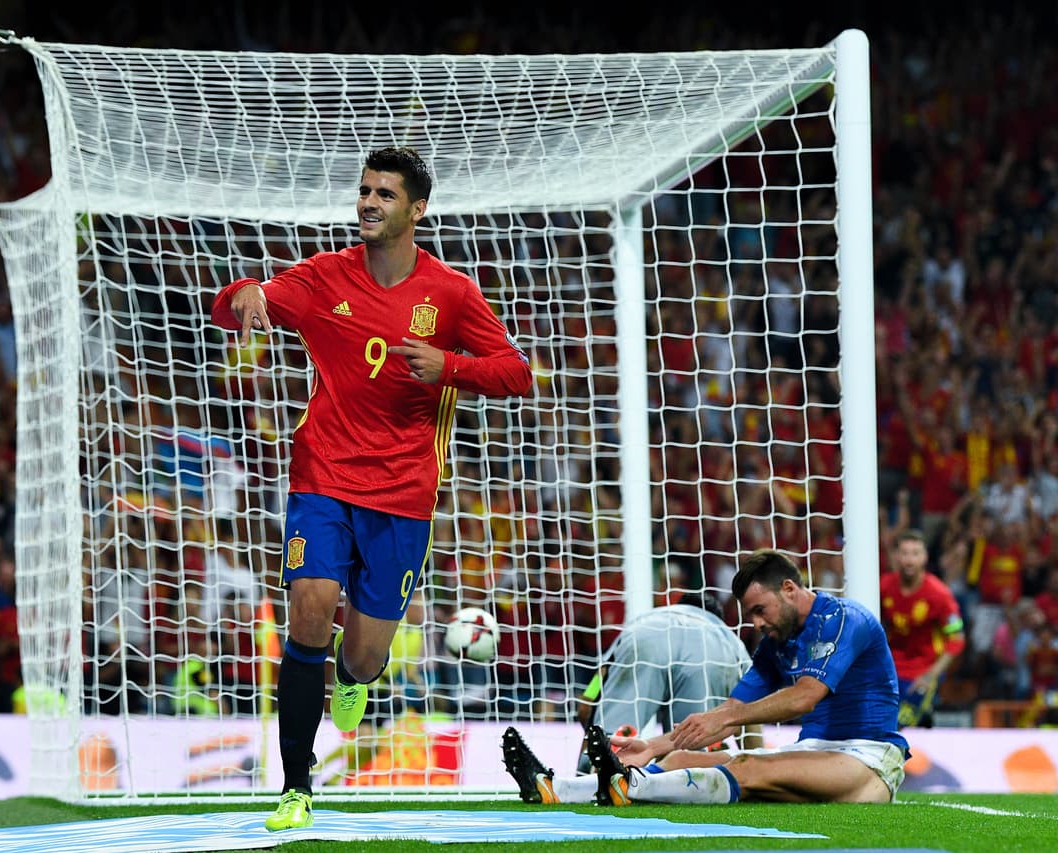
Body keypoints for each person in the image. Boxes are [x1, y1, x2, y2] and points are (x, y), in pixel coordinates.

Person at [210, 146, 533, 831]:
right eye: (364, 190)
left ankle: (356, 681)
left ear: (416, 209)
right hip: (323, 476)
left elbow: (514, 371)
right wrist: (243, 293)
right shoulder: (326, 276)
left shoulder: (451, 293)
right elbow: (252, 299)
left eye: (385, 194)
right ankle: (295, 786)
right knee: (308, 608)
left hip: (404, 495)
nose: (368, 202)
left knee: (361, 654)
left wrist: (448, 366)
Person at [510, 549, 909, 806]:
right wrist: (654, 745)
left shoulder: (844, 620)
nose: (754, 623)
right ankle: (556, 787)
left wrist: (726, 719)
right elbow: (733, 707)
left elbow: (805, 697)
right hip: (815, 752)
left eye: (759, 609)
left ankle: (628, 787)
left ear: (789, 588)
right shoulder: (776, 641)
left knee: (748, 767)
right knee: (680, 758)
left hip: (867, 761)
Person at [503, 597, 759, 804]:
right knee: (691, 751)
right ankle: (671, 787)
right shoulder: (728, 638)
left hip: (646, 640)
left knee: (615, 743)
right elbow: (750, 712)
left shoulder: (648, 619)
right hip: (711, 654)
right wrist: (758, 760)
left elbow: (588, 698)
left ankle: (582, 784)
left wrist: (593, 736)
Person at [879, 529, 965, 727]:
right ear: (897, 557)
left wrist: (931, 674)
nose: (909, 560)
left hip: (924, 671)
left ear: (925, 557)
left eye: (915, 554)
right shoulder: (884, 586)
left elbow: (957, 639)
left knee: (904, 725)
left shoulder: (939, 594)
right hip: (890, 670)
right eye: (905, 553)